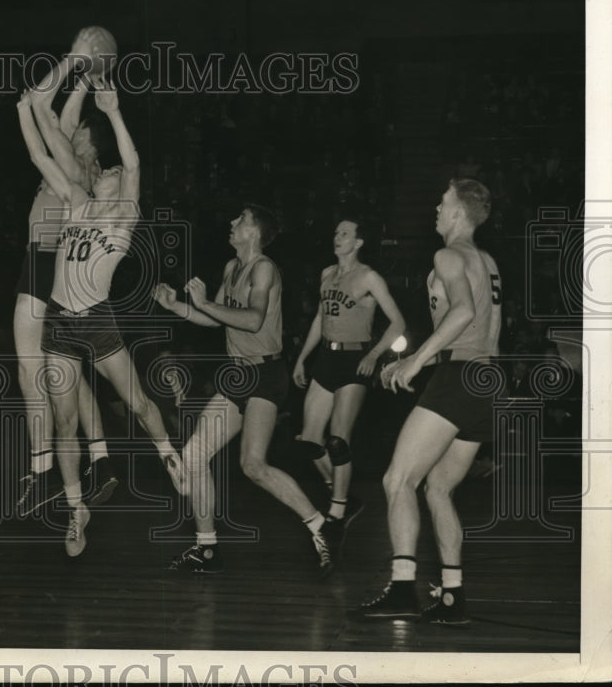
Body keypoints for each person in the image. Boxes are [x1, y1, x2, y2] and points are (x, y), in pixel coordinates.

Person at [18, 77, 184, 557]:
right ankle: (76, 511)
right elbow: (37, 157)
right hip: (61, 325)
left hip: (97, 319)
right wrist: (25, 110)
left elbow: (133, 163)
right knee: (65, 422)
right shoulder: (77, 202)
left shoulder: (124, 214)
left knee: (138, 403)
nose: (107, 171)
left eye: (111, 172)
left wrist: (112, 111)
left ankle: (170, 457)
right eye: (104, 171)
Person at [153, 206, 336, 578]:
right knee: (193, 454)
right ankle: (207, 549)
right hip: (237, 376)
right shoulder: (230, 268)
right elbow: (215, 315)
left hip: (266, 373)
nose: (232, 223)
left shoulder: (263, 268)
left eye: (241, 220)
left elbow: (253, 320)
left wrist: (203, 302)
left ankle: (321, 526)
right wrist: (180, 307)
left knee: (253, 465)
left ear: (254, 232)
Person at [354, 179, 501, 625]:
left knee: (398, 480)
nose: (436, 208)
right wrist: (414, 360)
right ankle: (453, 597)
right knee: (438, 488)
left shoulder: (447, 255)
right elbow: (482, 327)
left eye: (443, 203)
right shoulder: (487, 261)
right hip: (490, 379)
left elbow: (462, 314)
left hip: (459, 378)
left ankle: (402, 589)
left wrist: (416, 361)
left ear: (459, 214)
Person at [13, 35, 119, 519]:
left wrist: (75, 57)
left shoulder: (77, 168)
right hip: (46, 261)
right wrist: (86, 75)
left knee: (35, 370)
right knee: (61, 377)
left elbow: (40, 103)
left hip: (48, 262)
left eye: (79, 134)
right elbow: (55, 111)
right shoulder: (75, 161)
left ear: (89, 148)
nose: (70, 131)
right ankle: (96, 460)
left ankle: (45, 471)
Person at [292, 216, 405, 555]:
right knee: (308, 443)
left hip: (355, 361)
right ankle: (343, 493)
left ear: (358, 242)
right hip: (327, 359)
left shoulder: (368, 277)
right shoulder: (328, 274)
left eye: (344, 233)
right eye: (335, 231)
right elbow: (320, 318)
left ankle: (337, 514)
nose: (336, 236)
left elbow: (398, 323)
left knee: (338, 442)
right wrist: (302, 357)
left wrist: (374, 355)